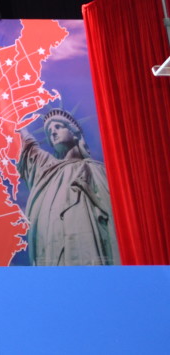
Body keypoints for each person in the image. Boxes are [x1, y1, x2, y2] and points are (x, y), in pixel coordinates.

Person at [16, 108, 118, 266]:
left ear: (75, 133)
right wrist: (16, 120)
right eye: (50, 131)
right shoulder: (48, 169)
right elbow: (29, 149)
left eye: (58, 127)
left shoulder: (97, 170)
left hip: (91, 239)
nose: (53, 132)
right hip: (56, 242)